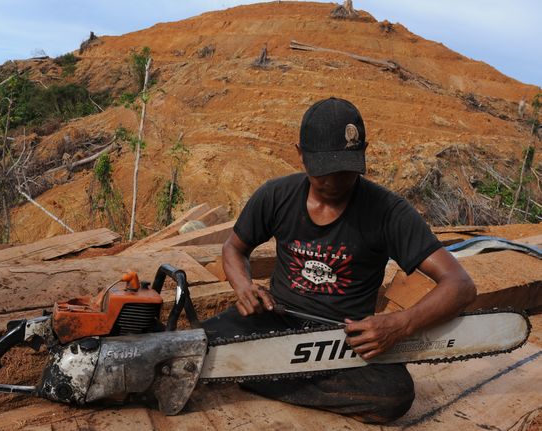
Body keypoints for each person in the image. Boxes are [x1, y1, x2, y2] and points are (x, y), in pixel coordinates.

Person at [204, 97, 476, 423]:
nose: (333, 182)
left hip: (342, 342)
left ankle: (254, 372)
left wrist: (401, 325)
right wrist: (244, 286)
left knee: (394, 396)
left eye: (345, 170)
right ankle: (265, 370)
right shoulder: (275, 195)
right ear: (300, 153)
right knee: (193, 347)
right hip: (275, 320)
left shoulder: (388, 212)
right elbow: (234, 249)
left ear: (364, 153)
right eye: (322, 171)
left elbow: (460, 284)